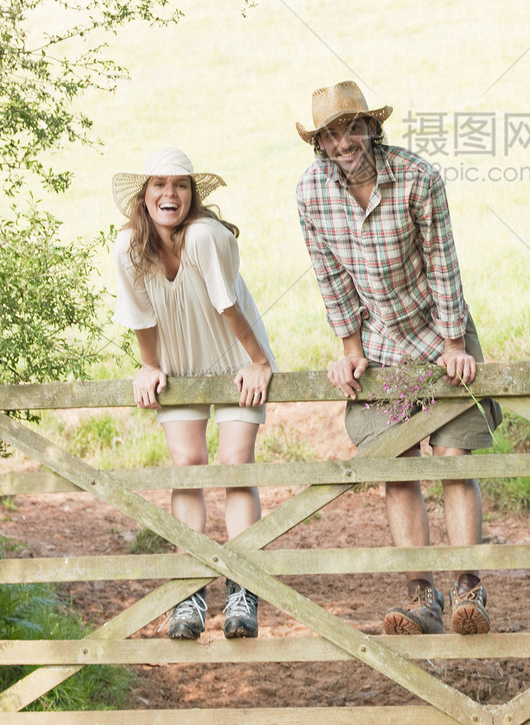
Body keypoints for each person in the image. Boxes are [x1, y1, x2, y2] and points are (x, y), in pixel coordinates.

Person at [295, 81, 499, 636]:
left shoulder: (417, 178)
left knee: (454, 454)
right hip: (380, 340)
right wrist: (349, 348)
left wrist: (455, 344)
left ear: (372, 127)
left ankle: (467, 590)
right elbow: (330, 275)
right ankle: (420, 597)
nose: (343, 142)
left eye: (352, 128)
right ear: (319, 143)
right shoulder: (311, 193)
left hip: (437, 327)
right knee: (397, 462)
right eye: (331, 134)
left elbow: (443, 262)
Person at [112, 147, 276, 641]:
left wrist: (259, 362)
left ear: (192, 194)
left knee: (234, 464)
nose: (170, 194)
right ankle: (190, 593)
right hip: (180, 365)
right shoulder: (127, 249)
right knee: (186, 466)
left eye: (180, 185)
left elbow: (227, 305)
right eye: (158, 185)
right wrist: (149, 367)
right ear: (144, 196)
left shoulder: (206, 235)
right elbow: (141, 317)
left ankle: (242, 588)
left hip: (235, 359)